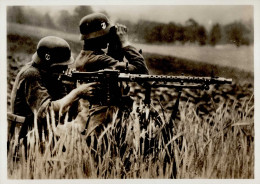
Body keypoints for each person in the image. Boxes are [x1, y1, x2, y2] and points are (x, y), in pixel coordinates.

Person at [8, 36, 97, 156]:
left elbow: (70, 116)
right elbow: (46, 112)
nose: (64, 70)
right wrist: (77, 93)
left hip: (43, 139)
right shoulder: (31, 75)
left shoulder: (50, 76)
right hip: (25, 143)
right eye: (60, 67)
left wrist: (70, 86)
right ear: (49, 64)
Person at [73, 12, 149, 141]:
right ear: (98, 37)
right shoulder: (97, 59)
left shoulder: (84, 56)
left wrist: (115, 46)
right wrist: (125, 43)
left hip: (91, 118)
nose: (108, 37)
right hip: (102, 121)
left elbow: (113, 65)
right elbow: (141, 71)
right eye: (106, 34)